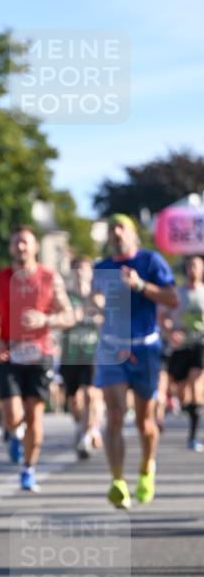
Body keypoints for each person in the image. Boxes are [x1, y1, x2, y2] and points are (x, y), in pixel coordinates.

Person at [0, 226, 74, 491]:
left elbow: (69, 315)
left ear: (35, 247)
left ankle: (28, 469)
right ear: (10, 248)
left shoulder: (50, 278)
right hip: (10, 352)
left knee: (34, 417)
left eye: (25, 242)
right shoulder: (0, 279)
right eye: (16, 242)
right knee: (12, 415)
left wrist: (46, 319)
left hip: (40, 354)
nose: (21, 247)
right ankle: (13, 433)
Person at [92, 213, 178, 509]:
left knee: (145, 422)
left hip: (145, 349)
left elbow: (172, 298)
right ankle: (117, 481)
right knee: (115, 414)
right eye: (111, 229)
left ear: (133, 234)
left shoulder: (151, 261)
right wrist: (95, 304)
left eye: (121, 227)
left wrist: (140, 285)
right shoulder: (102, 268)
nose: (116, 233)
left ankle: (146, 468)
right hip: (112, 348)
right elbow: (94, 300)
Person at [59, 256, 104, 458]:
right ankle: (81, 426)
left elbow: (111, 320)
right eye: (76, 268)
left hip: (93, 352)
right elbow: (58, 320)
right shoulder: (66, 298)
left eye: (84, 268)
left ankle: (86, 436)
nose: (79, 272)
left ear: (91, 272)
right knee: (73, 400)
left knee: (90, 395)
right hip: (70, 354)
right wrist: (69, 318)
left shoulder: (98, 296)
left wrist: (100, 313)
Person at [164, 253, 204, 451]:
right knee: (182, 394)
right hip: (180, 347)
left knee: (196, 385)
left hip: (200, 345)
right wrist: (171, 331)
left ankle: (193, 437)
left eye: (196, 266)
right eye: (189, 266)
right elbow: (163, 316)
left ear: (202, 269)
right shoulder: (177, 294)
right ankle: (191, 410)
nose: (192, 270)